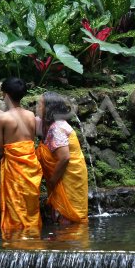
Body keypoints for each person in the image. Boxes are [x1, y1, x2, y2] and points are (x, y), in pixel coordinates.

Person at [0, 78, 42, 238]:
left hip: (14, 169)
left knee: (15, 205)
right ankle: (32, 235)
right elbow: (16, 120)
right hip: (30, 167)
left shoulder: (3, 120)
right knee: (29, 205)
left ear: (5, 95)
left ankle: (16, 238)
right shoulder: (30, 114)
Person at [35, 92, 88, 224]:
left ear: (49, 108)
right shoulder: (50, 124)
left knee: (68, 215)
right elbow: (18, 119)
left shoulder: (57, 128)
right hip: (65, 173)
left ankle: (70, 240)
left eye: (39, 105)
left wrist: (52, 181)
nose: (36, 108)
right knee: (64, 212)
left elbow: (64, 158)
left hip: (68, 175)